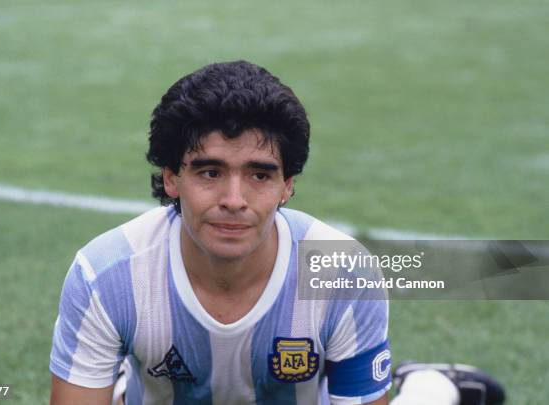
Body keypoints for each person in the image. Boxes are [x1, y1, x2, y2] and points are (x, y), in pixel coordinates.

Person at [49, 60, 391, 404]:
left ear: (286, 185)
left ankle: (428, 385)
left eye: (259, 175)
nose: (233, 200)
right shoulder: (105, 275)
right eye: (210, 173)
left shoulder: (344, 273)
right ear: (171, 178)